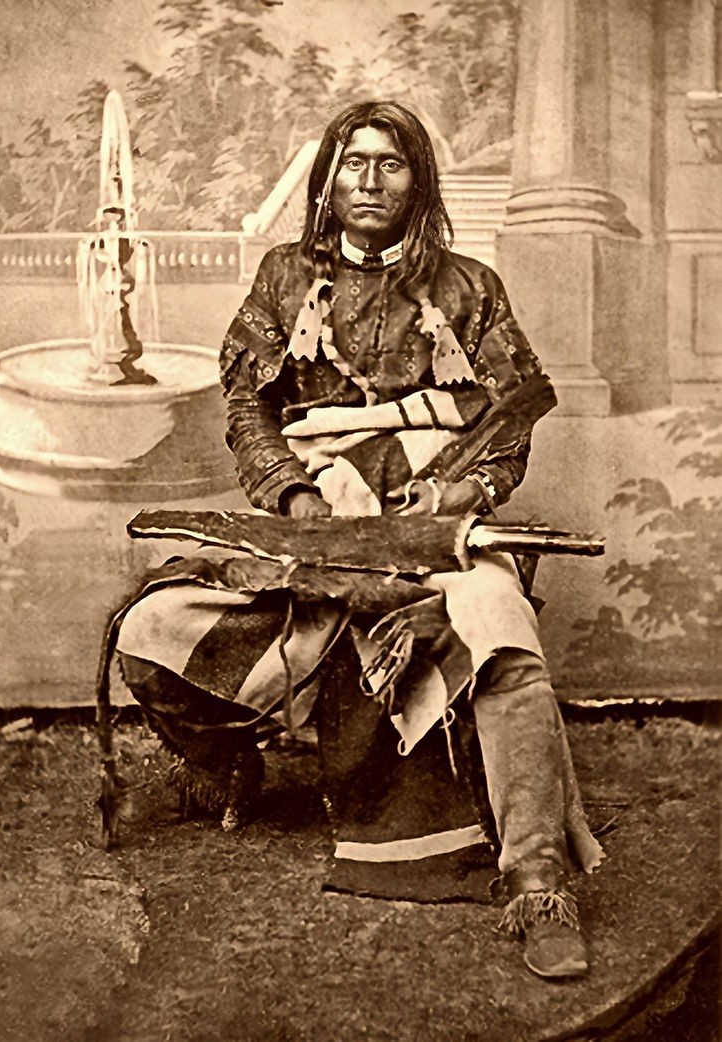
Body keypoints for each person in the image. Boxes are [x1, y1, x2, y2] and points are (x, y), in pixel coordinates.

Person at [115, 101, 604, 979]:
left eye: (391, 163)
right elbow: (247, 407)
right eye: (353, 163)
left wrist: (461, 492)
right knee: (151, 629)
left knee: (503, 637)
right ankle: (228, 767)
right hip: (314, 524)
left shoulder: (472, 287)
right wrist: (296, 497)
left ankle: (537, 880)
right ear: (327, 180)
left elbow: (511, 422)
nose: (370, 182)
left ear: (420, 181)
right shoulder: (284, 278)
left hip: (434, 527)